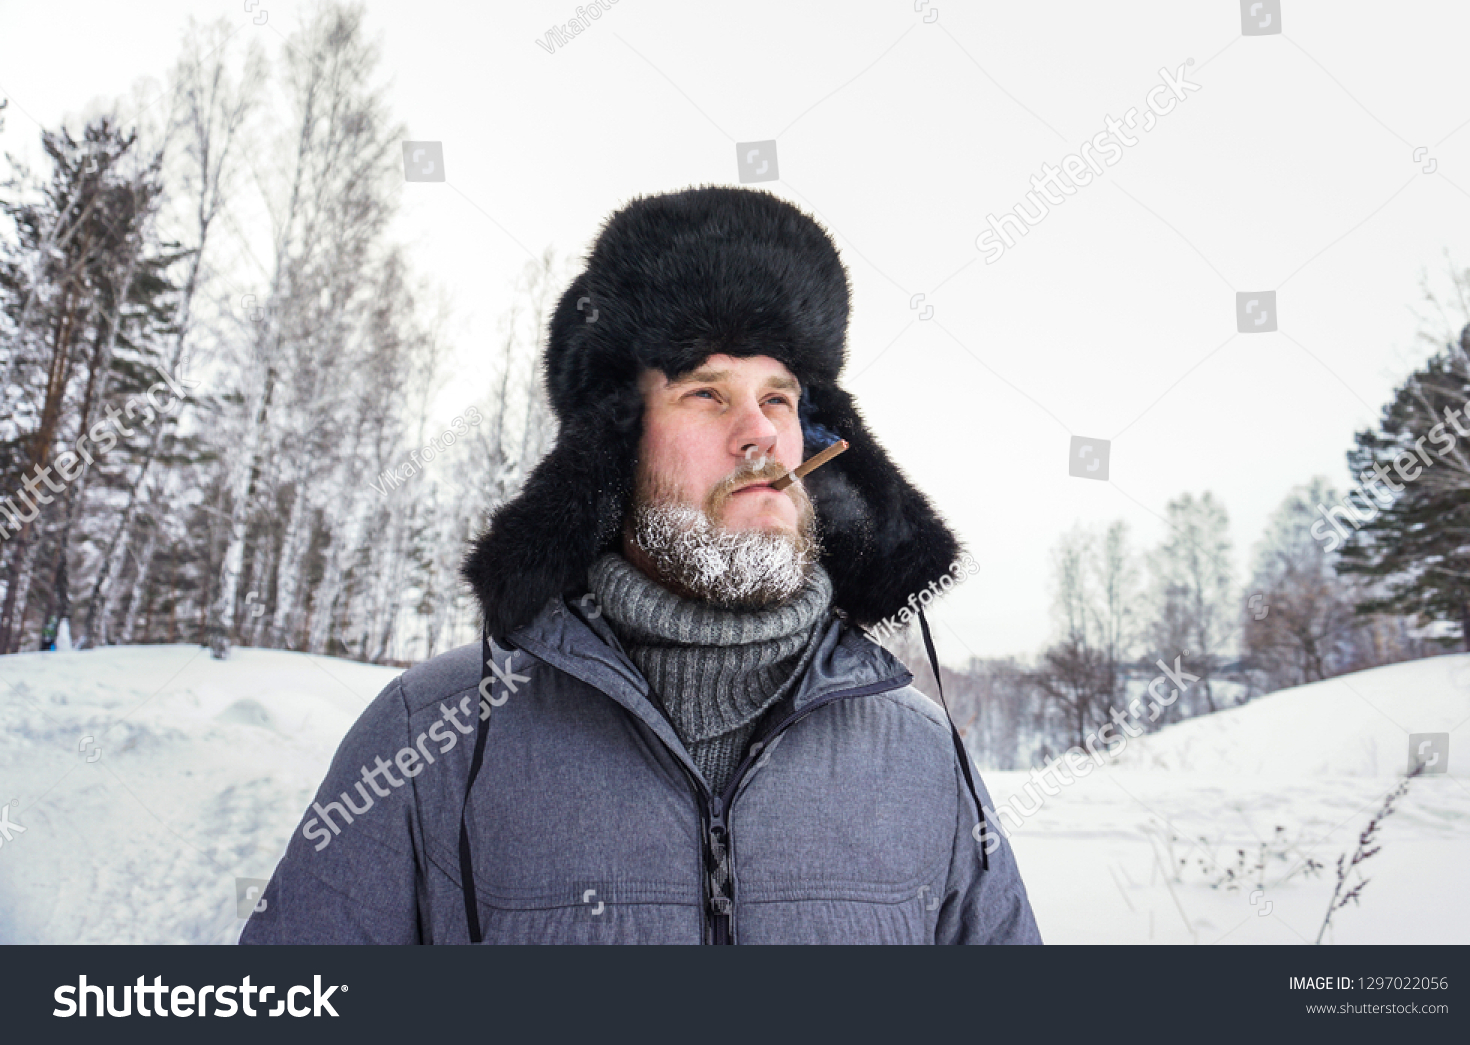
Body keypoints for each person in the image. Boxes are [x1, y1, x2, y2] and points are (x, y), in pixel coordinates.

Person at [240, 186, 1040, 945]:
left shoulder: (925, 757)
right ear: (613, 449)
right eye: (707, 394)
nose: (758, 435)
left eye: (781, 399)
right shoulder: (435, 737)